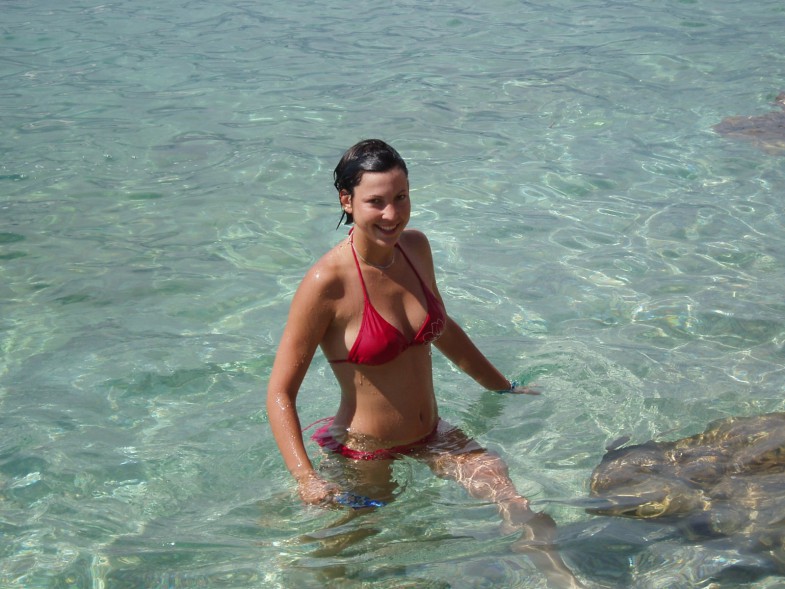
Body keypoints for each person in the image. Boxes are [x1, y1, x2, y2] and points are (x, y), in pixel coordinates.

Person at [266, 139, 583, 588]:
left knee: (519, 507)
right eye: (376, 202)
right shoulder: (327, 283)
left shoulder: (416, 248)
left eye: (401, 197)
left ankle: (566, 583)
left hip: (434, 434)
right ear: (347, 201)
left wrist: (502, 386)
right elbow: (280, 391)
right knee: (347, 554)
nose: (392, 214)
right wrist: (306, 479)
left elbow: (443, 330)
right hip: (365, 452)